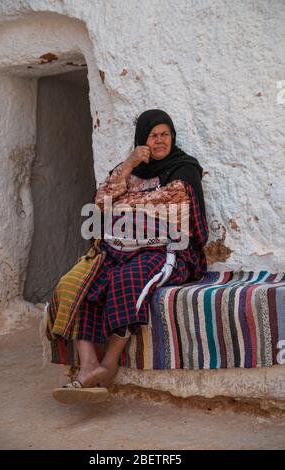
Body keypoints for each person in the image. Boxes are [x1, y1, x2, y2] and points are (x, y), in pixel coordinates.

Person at [48, 109, 208, 403]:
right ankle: (87, 367)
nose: (160, 141)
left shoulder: (183, 169)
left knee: (125, 280)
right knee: (81, 282)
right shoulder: (128, 169)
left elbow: (167, 205)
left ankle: (108, 365)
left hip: (166, 250)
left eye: (165, 135)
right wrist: (128, 166)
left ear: (173, 137)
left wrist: (124, 206)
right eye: (153, 135)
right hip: (117, 248)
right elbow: (100, 204)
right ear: (141, 140)